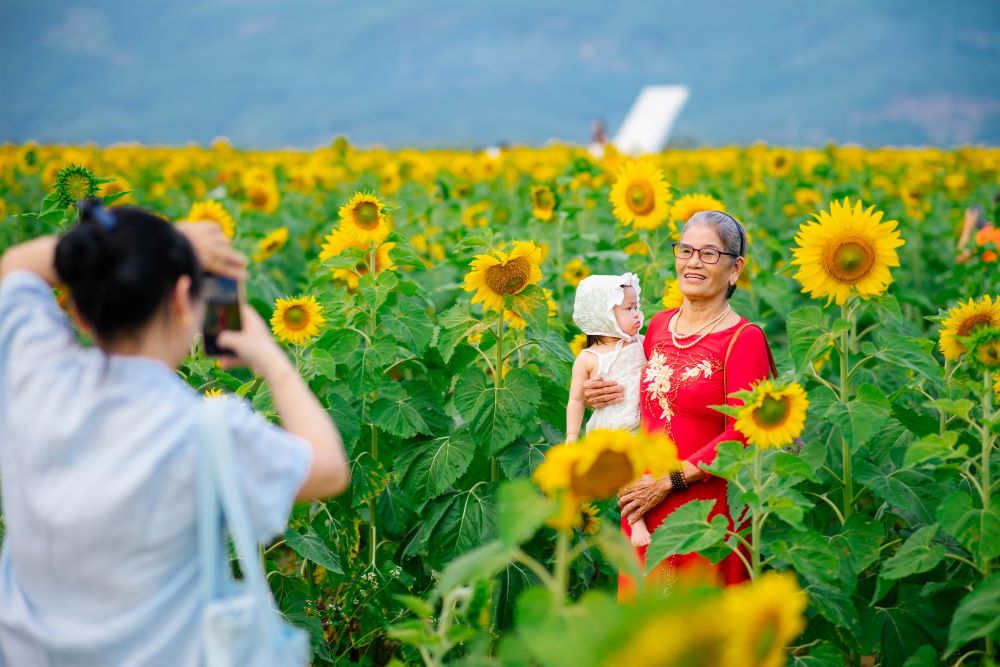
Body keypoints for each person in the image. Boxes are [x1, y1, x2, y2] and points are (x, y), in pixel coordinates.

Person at [0, 200, 350, 666]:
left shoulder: (33, 377)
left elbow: (14, 268)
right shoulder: (209, 430)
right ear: (184, 300)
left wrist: (146, 245)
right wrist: (272, 361)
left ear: (80, 316)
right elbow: (328, 471)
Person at [584, 210, 774, 596]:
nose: (693, 262)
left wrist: (670, 481)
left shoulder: (744, 339)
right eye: (686, 250)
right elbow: (632, 400)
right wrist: (596, 392)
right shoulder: (655, 327)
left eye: (709, 254)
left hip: (706, 516)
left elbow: (745, 432)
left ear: (735, 269)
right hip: (643, 506)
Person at [565, 273, 650, 546]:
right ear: (603, 316)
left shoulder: (641, 342)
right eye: (628, 309)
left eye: (637, 307)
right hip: (612, 425)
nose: (637, 314)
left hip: (643, 419)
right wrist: (571, 436)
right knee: (627, 474)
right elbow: (576, 400)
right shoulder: (588, 358)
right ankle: (636, 522)